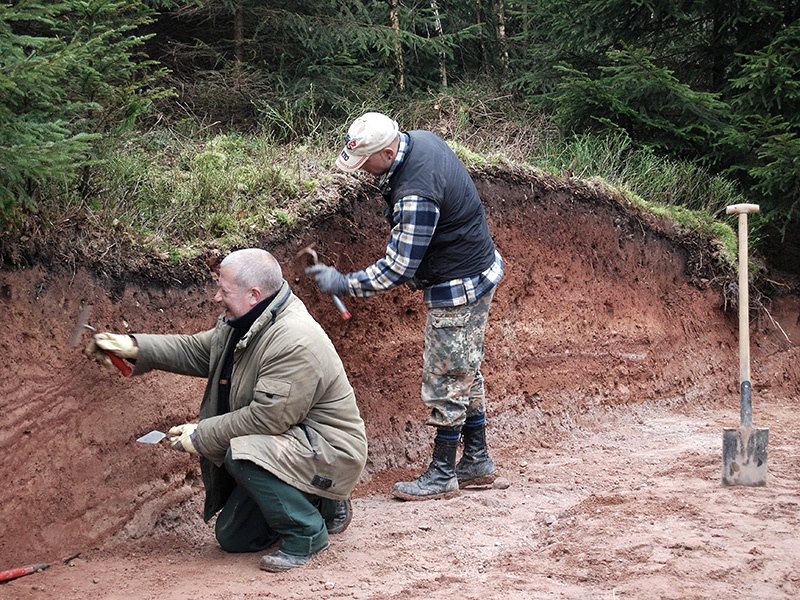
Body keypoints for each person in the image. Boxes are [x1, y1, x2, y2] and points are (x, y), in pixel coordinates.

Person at [85, 248, 368, 572]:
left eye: (224, 290)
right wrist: (136, 347)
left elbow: (267, 419)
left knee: (241, 451)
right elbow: (201, 350)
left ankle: (307, 534)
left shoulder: (294, 340)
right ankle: (321, 502)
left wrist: (202, 434)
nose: (217, 297)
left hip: (329, 451)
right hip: (294, 442)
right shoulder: (250, 319)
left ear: (254, 294)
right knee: (234, 538)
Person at [306, 112, 504, 501]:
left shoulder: (416, 193)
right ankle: (477, 460)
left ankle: (443, 473)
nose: (361, 171)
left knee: (445, 376)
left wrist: (345, 283)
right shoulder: (422, 140)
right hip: (479, 269)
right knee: (465, 368)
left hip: (458, 285)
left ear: (388, 150)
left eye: (366, 163)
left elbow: (398, 266)